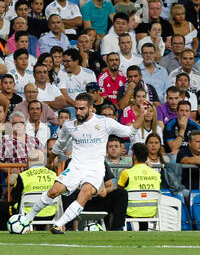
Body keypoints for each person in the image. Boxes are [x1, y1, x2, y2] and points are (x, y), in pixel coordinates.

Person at [24, 92, 147, 234]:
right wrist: (50, 162)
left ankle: (58, 225)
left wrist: (142, 113)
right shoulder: (69, 126)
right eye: (76, 108)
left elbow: (130, 132)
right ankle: (26, 220)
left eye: (82, 109)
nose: (78, 112)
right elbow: (59, 146)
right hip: (76, 167)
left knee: (85, 192)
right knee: (53, 191)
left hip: (95, 169)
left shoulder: (104, 122)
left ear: (91, 108)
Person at [0, 149, 58, 230]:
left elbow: (14, 195)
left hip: (27, 213)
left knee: (0, 206)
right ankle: (41, 229)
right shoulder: (54, 175)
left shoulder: (23, 176)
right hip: (50, 214)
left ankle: (5, 232)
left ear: (28, 161)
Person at [63, 159, 129, 231]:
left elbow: (110, 185)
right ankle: (69, 228)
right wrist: (87, 190)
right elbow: (68, 183)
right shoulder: (72, 162)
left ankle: (116, 229)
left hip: (97, 199)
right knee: (68, 192)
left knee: (122, 193)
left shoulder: (101, 162)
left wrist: (105, 190)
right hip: (79, 200)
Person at [117, 142, 161, 231]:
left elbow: (119, 190)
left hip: (131, 210)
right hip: (151, 210)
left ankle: (115, 229)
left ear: (134, 156)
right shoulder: (156, 174)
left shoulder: (126, 173)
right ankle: (143, 230)